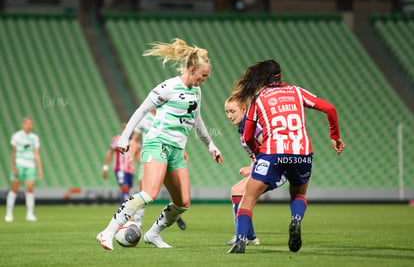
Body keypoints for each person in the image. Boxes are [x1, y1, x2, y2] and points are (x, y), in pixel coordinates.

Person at [96, 38, 223, 250]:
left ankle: (153, 234)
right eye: (204, 75)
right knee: (149, 193)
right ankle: (107, 232)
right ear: (192, 70)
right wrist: (125, 137)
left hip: (177, 150)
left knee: (183, 202)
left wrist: (210, 145)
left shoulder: (197, 92)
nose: (205, 79)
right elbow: (142, 110)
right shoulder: (168, 87)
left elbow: (197, 121)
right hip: (157, 143)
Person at [228, 60, 345, 253]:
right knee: (298, 194)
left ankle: (240, 242)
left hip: (272, 152)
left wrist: (259, 157)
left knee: (247, 198)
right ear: (279, 76)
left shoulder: (258, 98)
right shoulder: (297, 92)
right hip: (302, 152)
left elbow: (248, 135)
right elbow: (330, 109)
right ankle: (296, 220)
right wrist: (334, 136)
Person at [129, 109, 188, 230]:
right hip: (149, 157)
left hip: (167, 156)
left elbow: (174, 137)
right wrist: (131, 157)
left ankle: (176, 216)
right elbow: (135, 140)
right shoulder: (144, 119)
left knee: (175, 191)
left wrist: (182, 150)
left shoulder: (167, 116)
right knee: (144, 191)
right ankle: (138, 223)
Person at [224, 95, 262, 246]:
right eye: (227, 112)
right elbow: (256, 152)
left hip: (276, 169)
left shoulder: (252, 127)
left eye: (232, 111)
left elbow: (268, 147)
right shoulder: (243, 127)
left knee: (237, 191)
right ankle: (249, 236)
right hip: (265, 168)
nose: (229, 116)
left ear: (244, 109)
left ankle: (245, 236)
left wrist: (252, 168)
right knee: (237, 191)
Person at [5, 117, 43, 222]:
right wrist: (14, 166)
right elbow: (14, 153)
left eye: (31, 124)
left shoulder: (34, 137)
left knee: (30, 189)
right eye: (28, 124)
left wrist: (40, 168)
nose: (30, 126)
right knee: (14, 189)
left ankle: (30, 214)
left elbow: (36, 153)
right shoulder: (16, 136)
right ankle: (9, 214)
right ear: (23, 124)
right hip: (19, 164)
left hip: (30, 165)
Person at [102, 123, 139, 205]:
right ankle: (124, 209)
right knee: (124, 186)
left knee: (127, 189)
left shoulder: (134, 142)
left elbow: (138, 155)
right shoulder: (117, 139)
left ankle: (122, 210)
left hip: (130, 170)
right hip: (119, 168)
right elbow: (110, 153)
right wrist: (105, 167)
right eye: (125, 128)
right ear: (123, 129)